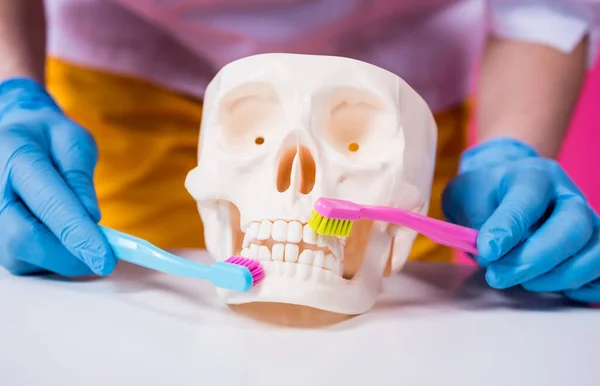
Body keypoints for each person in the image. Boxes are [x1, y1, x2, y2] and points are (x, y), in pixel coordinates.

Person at [0, 0, 599, 303]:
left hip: (392, 87)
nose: (297, 181)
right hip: (131, 68)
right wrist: (11, 90)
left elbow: (544, 9)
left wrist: (509, 149)